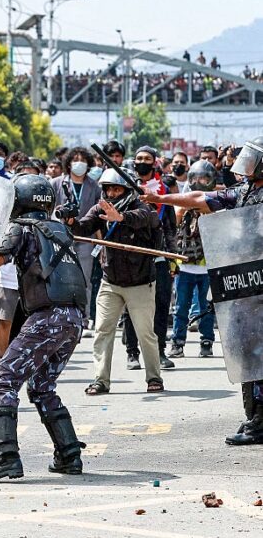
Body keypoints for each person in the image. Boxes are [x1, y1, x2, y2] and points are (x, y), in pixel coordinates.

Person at [141, 135, 263, 445]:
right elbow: (198, 198)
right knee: (251, 351)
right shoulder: (244, 191)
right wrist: (160, 199)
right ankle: (257, 415)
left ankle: (261, 421)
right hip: (249, 283)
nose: (246, 164)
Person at [0, 174, 87, 482]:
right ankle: (69, 455)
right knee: (42, 386)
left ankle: (6, 457)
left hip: (48, 318)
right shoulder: (59, 230)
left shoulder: (21, 228)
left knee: (2, 384)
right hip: (74, 318)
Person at [69, 168, 164, 394]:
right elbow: (83, 227)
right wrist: (70, 220)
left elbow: (146, 218)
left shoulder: (141, 207)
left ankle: (154, 377)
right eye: (108, 189)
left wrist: (121, 218)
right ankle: (101, 380)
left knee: (145, 333)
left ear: (127, 191)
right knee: (102, 330)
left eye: (116, 189)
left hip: (140, 282)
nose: (111, 194)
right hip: (110, 281)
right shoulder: (100, 207)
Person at [122, 146, 176, 371]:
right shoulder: (126, 186)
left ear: (154, 163)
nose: (142, 162)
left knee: (161, 304)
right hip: (132, 256)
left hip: (159, 255)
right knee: (132, 306)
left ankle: (159, 351)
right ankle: (132, 352)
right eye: (139, 158)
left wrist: (172, 258)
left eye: (147, 159)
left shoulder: (164, 190)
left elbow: (170, 227)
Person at [167, 161, 216, 359]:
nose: (199, 182)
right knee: (181, 308)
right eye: (195, 178)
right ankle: (178, 342)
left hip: (208, 267)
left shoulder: (215, 203)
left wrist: (202, 205)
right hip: (185, 266)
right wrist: (185, 206)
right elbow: (175, 223)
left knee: (207, 308)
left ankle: (207, 341)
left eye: (203, 178)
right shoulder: (183, 203)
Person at [51, 147, 102, 330]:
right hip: (60, 236)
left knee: (84, 279)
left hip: (86, 238)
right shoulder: (57, 183)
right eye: (75, 160)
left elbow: (98, 217)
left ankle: (84, 317)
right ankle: (60, 315)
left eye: (83, 160)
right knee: (61, 277)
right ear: (68, 163)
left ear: (88, 164)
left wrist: (100, 243)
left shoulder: (94, 186)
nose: (79, 163)